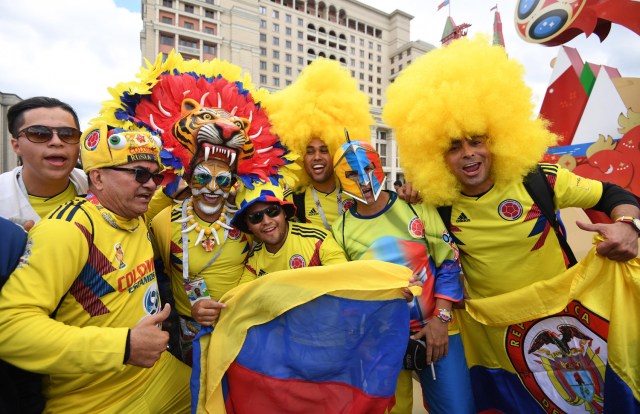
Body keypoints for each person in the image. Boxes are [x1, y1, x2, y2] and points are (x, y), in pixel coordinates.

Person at [383, 36, 640, 411]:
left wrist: (628, 225)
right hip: (499, 341)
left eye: (477, 140)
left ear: (499, 139)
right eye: (454, 146)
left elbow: (613, 195)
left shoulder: (539, 180)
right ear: (437, 157)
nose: (469, 154)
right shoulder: (437, 205)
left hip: (572, 325)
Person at [0, 120, 191, 413]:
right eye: (139, 174)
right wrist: (125, 345)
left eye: (157, 175)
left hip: (157, 375)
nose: (151, 184)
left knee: (221, 394)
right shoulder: (66, 230)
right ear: (98, 178)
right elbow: (10, 328)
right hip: (94, 400)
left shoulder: (135, 215)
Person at [331, 139, 474, 414]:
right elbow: (346, 292)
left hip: (437, 331)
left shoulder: (416, 208)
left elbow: (449, 263)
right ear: (340, 178)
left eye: (369, 168)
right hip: (379, 343)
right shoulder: (340, 232)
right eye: (351, 174)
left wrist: (441, 320)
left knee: (458, 409)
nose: (363, 180)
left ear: (380, 165)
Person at [150, 145, 252, 363]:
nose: (213, 188)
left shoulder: (246, 219)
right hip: (190, 331)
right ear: (188, 177)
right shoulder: (164, 222)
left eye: (223, 180)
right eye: (203, 178)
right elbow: (153, 273)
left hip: (240, 326)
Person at [265, 58, 374, 230]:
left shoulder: (358, 191)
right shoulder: (292, 200)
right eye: (309, 151)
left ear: (336, 153)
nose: (317, 157)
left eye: (324, 150)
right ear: (300, 156)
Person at [231, 181, 348, 282]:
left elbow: (344, 279)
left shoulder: (317, 239)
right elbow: (241, 297)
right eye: (256, 217)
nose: (266, 221)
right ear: (248, 225)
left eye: (272, 211)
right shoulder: (254, 260)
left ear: (284, 212)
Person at [0, 96, 88, 229]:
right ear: (16, 145)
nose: (56, 142)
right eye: (39, 133)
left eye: (68, 134)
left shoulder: (103, 189)